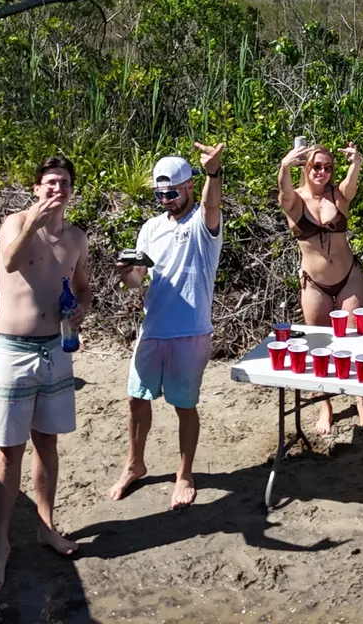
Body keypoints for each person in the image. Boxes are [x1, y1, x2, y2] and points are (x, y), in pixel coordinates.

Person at [0, 156, 89, 592]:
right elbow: (9, 262)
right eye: (49, 183)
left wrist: (81, 309)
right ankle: (1, 544)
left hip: (56, 349)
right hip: (15, 350)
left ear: (70, 189)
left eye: (62, 183)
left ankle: (45, 525)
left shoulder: (77, 237)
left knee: (48, 443)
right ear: (36, 187)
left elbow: (83, 286)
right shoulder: (14, 223)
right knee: (9, 451)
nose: (56, 189)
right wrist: (34, 221)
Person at [111, 142, 224, 511]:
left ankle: (185, 473)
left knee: (184, 405)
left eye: (172, 192)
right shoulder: (150, 228)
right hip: (153, 328)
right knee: (136, 399)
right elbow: (137, 279)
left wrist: (213, 172)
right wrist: (129, 273)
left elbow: (211, 205)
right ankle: (135, 463)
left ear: (189, 185)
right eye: (160, 194)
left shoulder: (202, 224)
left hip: (190, 330)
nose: (166, 199)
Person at [277, 140, 363, 434]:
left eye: (329, 167)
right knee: (319, 346)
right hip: (314, 283)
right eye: (316, 166)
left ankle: (361, 402)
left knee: (356, 340)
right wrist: (283, 165)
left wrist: (356, 163)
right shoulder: (294, 200)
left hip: (349, 277)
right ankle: (325, 406)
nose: (323, 172)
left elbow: (351, 185)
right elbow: (283, 192)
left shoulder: (338, 196)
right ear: (305, 168)